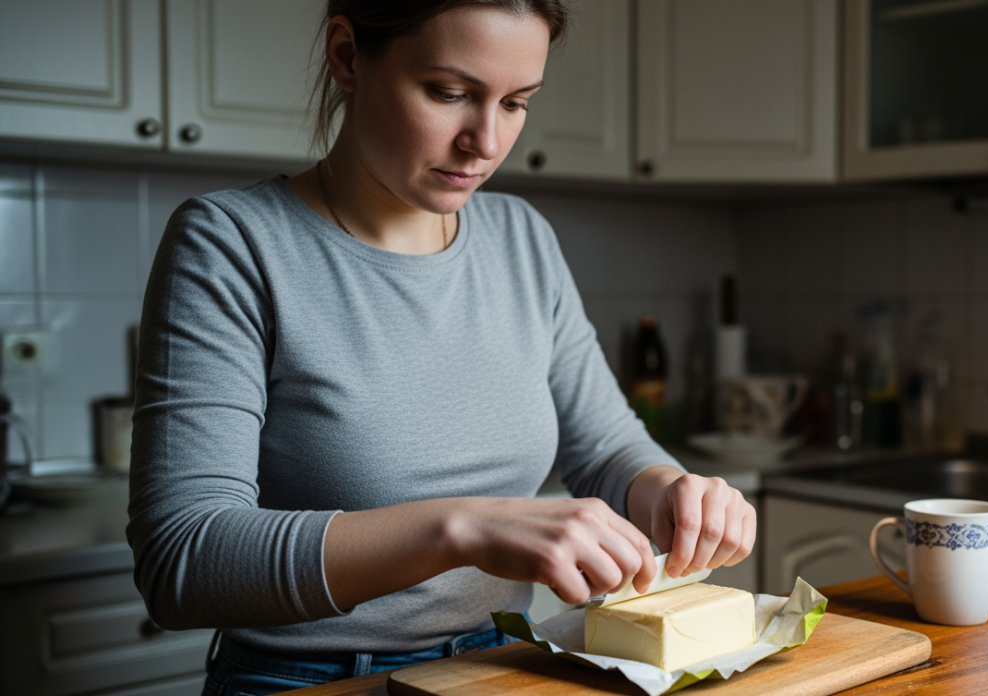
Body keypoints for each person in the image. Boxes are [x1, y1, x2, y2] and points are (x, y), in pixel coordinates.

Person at [126, 2, 756, 694]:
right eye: (450, 93)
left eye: (516, 103)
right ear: (347, 55)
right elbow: (182, 560)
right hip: (308, 679)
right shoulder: (231, 244)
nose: (485, 141)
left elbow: (605, 450)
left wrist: (673, 493)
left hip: (503, 666)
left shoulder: (522, 239)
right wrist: (463, 527)